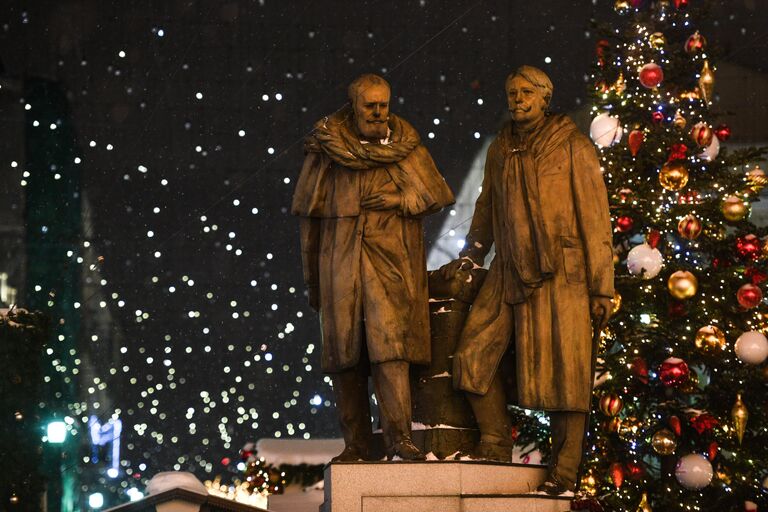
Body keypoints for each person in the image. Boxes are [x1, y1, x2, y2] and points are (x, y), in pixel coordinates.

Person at [441, 65, 613, 494]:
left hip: (564, 274)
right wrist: (471, 254)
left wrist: (602, 287)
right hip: (507, 268)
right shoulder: (500, 149)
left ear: (544, 97)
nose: (516, 99)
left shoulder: (574, 146)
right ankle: (496, 442)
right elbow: (485, 210)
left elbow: (596, 221)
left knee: (567, 376)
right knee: (472, 355)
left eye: (525, 93)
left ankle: (565, 472)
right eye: (511, 92)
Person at [292, 74, 454, 461]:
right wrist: (313, 279)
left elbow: (437, 194)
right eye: (371, 105)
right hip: (341, 267)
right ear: (354, 106)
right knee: (345, 359)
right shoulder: (326, 152)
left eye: (385, 104)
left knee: (390, 354)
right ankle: (356, 444)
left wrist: (401, 197)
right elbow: (308, 219)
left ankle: (400, 439)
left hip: (390, 267)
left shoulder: (405, 146)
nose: (380, 112)